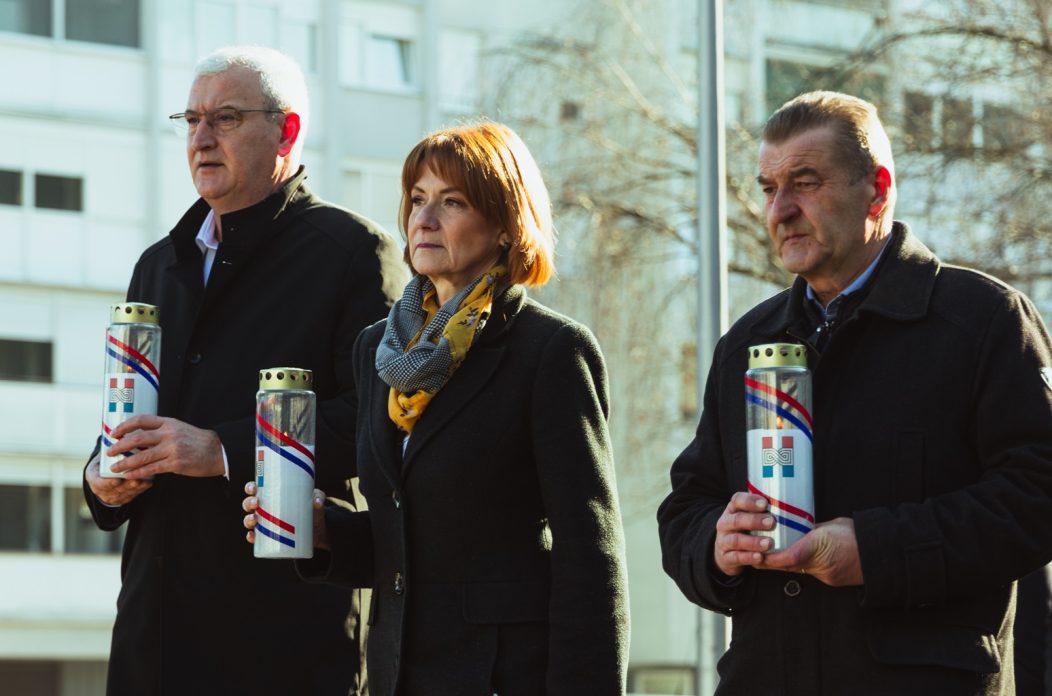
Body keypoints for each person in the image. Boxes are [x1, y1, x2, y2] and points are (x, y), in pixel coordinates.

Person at [657, 90, 1052, 695]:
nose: (780, 210)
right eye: (768, 188)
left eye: (805, 182)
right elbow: (686, 507)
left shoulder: (985, 320)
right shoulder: (747, 342)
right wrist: (716, 543)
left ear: (878, 188)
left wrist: (876, 550)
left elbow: (1037, 496)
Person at [242, 121, 631, 695]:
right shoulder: (378, 349)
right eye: (417, 199)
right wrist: (329, 533)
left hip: (503, 678)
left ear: (505, 226)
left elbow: (590, 560)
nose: (423, 219)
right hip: (400, 675)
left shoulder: (549, 351)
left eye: (452, 202)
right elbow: (408, 535)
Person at [82, 46, 407, 696]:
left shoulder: (354, 255)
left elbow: (380, 426)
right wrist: (100, 478)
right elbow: (127, 413)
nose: (201, 139)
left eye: (225, 118)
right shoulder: (158, 264)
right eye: (191, 119)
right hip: (153, 639)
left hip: (281, 641)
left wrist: (223, 450)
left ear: (286, 131)